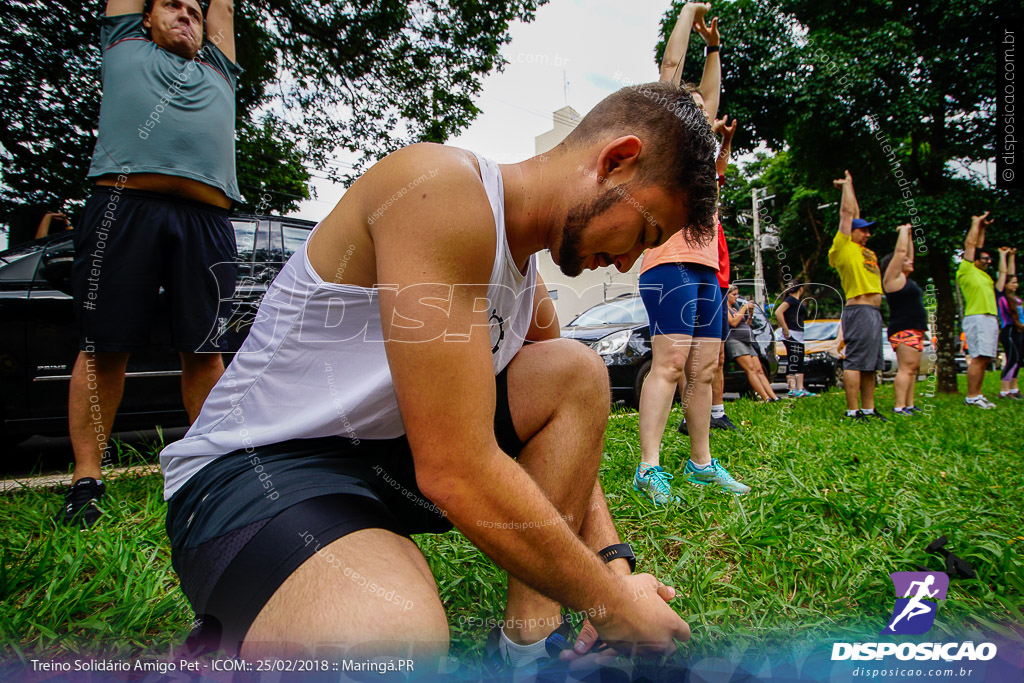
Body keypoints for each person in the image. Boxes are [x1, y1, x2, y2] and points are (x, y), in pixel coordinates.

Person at [158, 82, 718, 667]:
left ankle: (526, 650)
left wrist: (613, 563)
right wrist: (611, 605)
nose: (630, 261)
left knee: (575, 371)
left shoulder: (528, 284)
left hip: (382, 463)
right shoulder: (439, 187)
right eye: (645, 233)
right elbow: (456, 468)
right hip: (259, 467)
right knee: (391, 644)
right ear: (616, 161)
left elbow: (573, 436)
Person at [59, 0, 241, 527]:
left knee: (205, 351)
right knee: (103, 348)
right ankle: (87, 479)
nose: (186, 14)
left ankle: (208, 473)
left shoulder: (219, 68)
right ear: (144, 16)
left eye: (193, 9)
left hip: (205, 220)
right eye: (171, 5)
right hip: (123, 208)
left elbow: (223, 5)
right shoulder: (123, 44)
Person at [634, 1, 750, 506]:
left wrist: (715, 47)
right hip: (669, 262)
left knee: (704, 369)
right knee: (671, 363)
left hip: (705, 268)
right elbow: (670, 71)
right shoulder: (669, 134)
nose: (704, 105)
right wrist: (687, 12)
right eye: (695, 103)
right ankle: (649, 467)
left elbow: (710, 90)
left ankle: (700, 463)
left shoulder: (704, 152)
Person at [679, 115, 740, 435]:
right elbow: (698, 160)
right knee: (686, 355)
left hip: (718, 279)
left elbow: (719, 169)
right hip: (693, 273)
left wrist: (726, 140)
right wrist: (711, 133)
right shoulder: (685, 187)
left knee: (715, 355)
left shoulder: (710, 200)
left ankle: (715, 411)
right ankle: (691, 414)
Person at [828, 170, 887, 423]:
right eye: (863, 231)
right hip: (859, 310)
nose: (867, 234)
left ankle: (869, 409)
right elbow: (848, 215)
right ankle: (853, 411)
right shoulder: (842, 247)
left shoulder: (865, 250)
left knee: (870, 364)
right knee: (855, 361)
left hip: (873, 312)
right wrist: (847, 186)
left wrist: (851, 189)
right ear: (850, 232)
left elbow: (855, 213)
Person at [880, 224, 928, 415]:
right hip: (903, 328)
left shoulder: (907, 280)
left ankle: (909, 404)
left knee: (913, 369)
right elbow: (900, 253)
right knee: (906, 368)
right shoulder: (892, 280)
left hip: (915, 328)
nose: (909, 260)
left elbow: (907, 254)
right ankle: (899, 406)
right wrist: (902, 231)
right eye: (904, 260)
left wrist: (909, 234)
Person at [957, 211, 999, 409]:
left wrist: (983, 227)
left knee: (985, 358)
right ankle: (972, 396)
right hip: (977, 317)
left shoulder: (984, 275)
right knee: (978, 358)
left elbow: (979, 246)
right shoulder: (966, 270)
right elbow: (972, 245)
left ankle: (978, 394)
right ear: (974, 260)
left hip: (989, 317)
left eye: (990, 259)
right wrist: (975, 222)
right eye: (984, 259)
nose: (988, 261)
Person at [725, 286, 778, 401]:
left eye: (737, 294)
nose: (736, 297)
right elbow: (733, 323)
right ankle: (765, 397)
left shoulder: (735, 307)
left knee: (759, 369)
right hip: (735, 340)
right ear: (727, 295)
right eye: (733, 294)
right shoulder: (724, 307)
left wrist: (749, 315)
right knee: (750, 369)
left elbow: (745, 324)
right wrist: (744, 307)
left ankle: (773, 396)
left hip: (747, 340)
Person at [775, 283, 815, 398]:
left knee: (799, 360)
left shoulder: (795, 301)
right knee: (793, 358)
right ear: (801, 289)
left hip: (798, 334)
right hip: (792, 334)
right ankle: (792, 388)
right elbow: (778, 312)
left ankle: (800, 388)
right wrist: (785, 328)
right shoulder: (790, 300)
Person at [995, 247, 1023, 400]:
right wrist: (1003, 256)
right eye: (1013, 283)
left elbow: (1010, 274)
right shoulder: (1001, 296)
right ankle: (1004, 390)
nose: (1015, 285)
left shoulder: (1014, 298)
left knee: (1019, 360)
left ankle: (1014, 388)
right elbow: (1005, 274)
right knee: (1012, 359)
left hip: (1019, 330)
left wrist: (1012, 256)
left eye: (1016, 283)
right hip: (1009, 330)